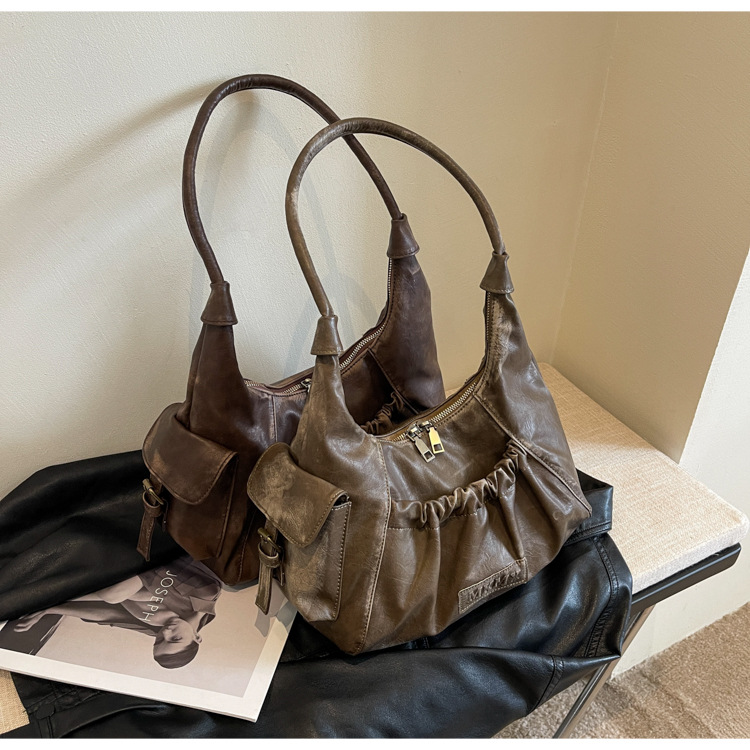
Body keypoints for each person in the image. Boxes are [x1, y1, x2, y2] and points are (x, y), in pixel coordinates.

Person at [12, 557, 221, 669]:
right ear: (197, 637)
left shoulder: (156, 627)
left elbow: (108, 615)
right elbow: (164, 564)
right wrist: (140, 595)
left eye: (158, 641)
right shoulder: (206, 593)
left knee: (118, 599)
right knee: (116, 597)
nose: (165, 633)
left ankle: (51, 594)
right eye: (175, 639)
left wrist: (50, 608)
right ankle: (51, 593)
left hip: (111, 578)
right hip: (145, 556)